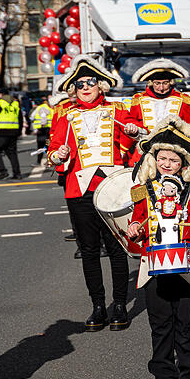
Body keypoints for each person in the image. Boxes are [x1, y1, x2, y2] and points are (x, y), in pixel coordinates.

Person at [124, 116, 190, 379]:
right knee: (160, 326)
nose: (167, 163)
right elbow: (136, 226)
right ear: (154, 159)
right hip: (153, 269)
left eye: (173, 160)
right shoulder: (144, 191)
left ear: (182, 163)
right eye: (162, 158)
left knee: (186, 325)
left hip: (184, 267)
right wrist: (134, 228)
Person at [47, 55, 136, 330]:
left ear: (101, 86)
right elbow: (53, 153)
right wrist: (58, 155)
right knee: (89, 250)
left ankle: (119, 304)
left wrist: (133, 131)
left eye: (91, 82)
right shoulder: (66, 117)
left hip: (113, 189)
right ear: (74, 89)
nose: (85, 87)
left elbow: (137, 137)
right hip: (79, 189)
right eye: (80, 83)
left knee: (117, 248)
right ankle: (98, 306)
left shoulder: (118, 111)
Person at [0, 92, 23, 181]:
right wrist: (19, 132)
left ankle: (3, 171)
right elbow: (20, 119)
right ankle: (17, 173)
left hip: (1, 132)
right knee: (12, 153)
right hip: (14, 132)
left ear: (1, 95)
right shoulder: (16, 104)